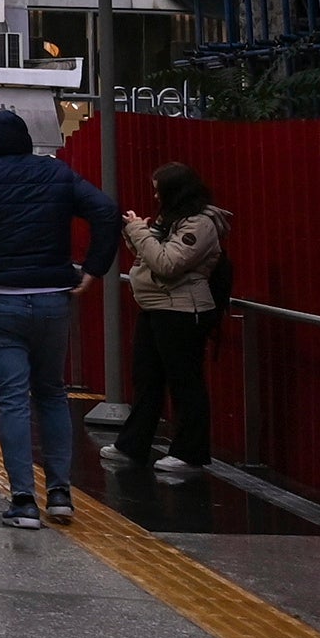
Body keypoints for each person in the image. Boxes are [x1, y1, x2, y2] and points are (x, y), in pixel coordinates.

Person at [0, 107, 121, 530]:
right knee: (52, 392)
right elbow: (106, 211)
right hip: (54, 296)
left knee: (13, 400)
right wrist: (94, 267)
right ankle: (60, 493)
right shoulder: (55, 172)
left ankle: (23, 500)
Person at [117, 161, 231, 480]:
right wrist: (136, 234)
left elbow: (167, 263)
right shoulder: (173, 218)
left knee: (185, 382)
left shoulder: (202, 224)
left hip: (183, 311)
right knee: (147, 379)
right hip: (155, 307)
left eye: (158, 189)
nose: (154, 195)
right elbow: (147, 256)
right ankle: (133, 443)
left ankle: (189, 452)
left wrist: (139, 231)